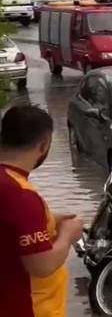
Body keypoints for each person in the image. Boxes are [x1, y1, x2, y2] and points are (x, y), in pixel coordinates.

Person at [0, 105, 83, 317]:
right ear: (44, 144)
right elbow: (42, 265)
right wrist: (67, 235)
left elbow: (8, 227)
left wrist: (48, 220)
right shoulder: (20, 195)